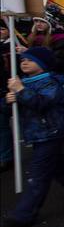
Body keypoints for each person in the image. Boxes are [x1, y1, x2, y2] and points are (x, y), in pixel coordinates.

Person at [1, 47, 64, 227]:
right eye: (23, 60)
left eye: (30, 60)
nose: (24, 63)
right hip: (36, 132)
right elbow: (13, 110)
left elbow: (41, 103)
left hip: (51, 131)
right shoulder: (22, 82)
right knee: (55, 164)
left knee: (38, 173)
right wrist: (8, 100)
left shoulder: (51, 82)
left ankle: (23, 214)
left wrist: (21, 91)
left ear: (43, 64)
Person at [0, 19, 13, 171]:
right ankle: (6, 157)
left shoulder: (15, 46)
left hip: (13, 89)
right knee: (2, 127)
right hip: (2, 92)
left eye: (2, 29)